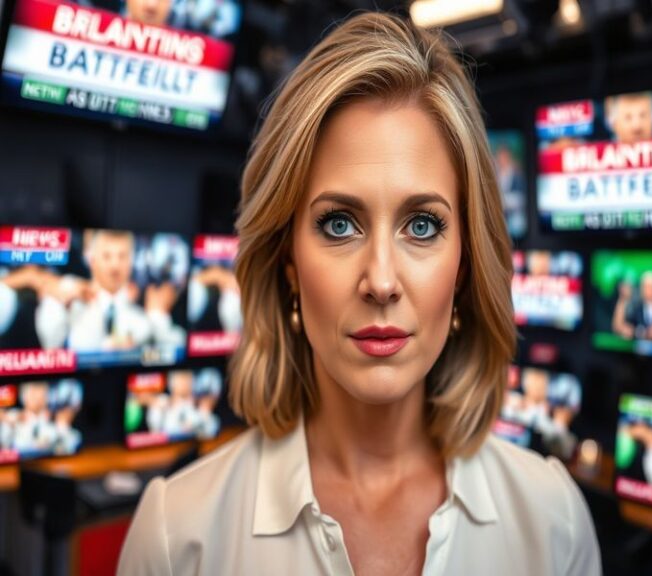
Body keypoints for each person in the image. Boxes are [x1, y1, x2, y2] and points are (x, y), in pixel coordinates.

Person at [118, 12, 601, 576]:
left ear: (466, 264)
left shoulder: (553, 518)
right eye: (339, 224)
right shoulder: (178, 534)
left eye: (422, 225)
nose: (381, 282)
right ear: (288, 262)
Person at [35, 230, 185, 353]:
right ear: (92, 260)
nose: (115, 266)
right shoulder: (71, 299)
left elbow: (179, 351)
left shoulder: (145, 310)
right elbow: (49, 344)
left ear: (131, 261)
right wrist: (60, 302)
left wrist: (157, 318)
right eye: (107, 256)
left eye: (122, 256)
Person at [613, 271, 652, 341]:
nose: (644, 290)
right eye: (643, 286)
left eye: (648, 286)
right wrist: (623, 299)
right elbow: (621, 327)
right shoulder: (636, 307)